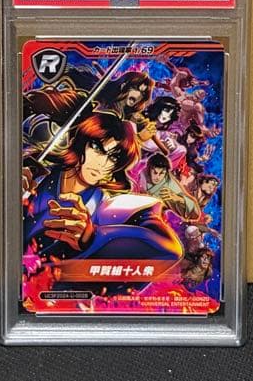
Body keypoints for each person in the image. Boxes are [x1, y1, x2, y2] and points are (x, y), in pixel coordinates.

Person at [23, 112, 182, 267]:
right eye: (97, 149)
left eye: (113, 158)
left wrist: (92, 238)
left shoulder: (102, 207)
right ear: (80, 143)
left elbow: (170, 250)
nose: (102, 164)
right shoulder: (39, 174)